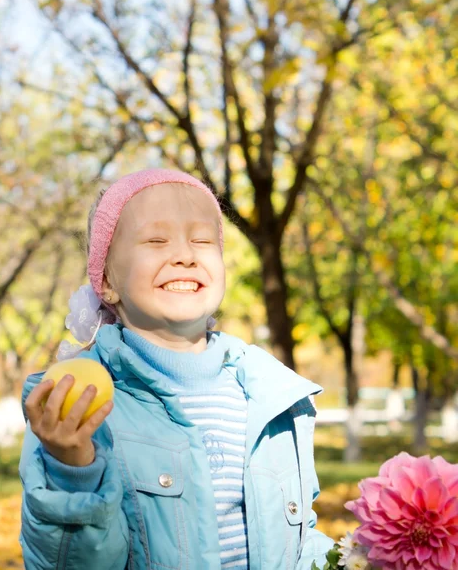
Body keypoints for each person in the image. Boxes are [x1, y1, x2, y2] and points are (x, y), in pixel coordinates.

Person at [18, 168, 334, 570]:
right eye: (156, 239)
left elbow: (299, 542)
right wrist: (72, 471)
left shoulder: (270, 397)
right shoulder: (78, 402)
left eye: (202, 240)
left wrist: (363, 555)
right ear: (107, 281)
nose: (186, 254)